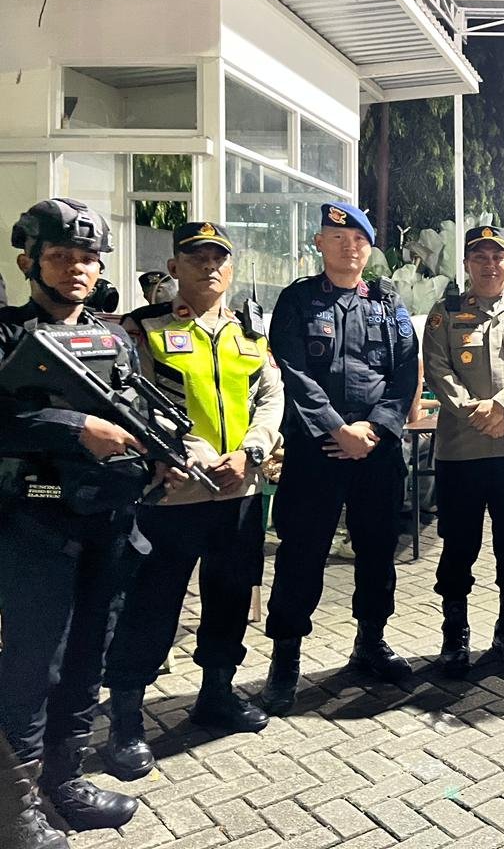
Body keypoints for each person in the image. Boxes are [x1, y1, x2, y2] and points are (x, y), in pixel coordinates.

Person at [100, 222, 284, 781]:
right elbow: (130, 401)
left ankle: (216, 694)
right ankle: (126, 721)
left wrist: (251, 453)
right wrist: (195, 454)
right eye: (196, 257)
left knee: (230, 598)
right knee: (149, 606)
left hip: (239, 491)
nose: (209, 267)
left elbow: (270, 396)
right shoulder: (144, 328)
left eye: (218, 258)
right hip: (172, 494)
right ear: (174, 267)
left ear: (230, 268)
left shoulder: (250, 332)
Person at [0, 198, 148, 848]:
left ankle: (65, 780)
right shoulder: (7, 335)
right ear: (28, 261)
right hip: (34, 525)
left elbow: (136, 410)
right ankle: (15, 809)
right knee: (34, 666)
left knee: (89, 658)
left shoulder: (113, 338)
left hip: (107, 524)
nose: (77, 268)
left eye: (88, 258)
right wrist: (75, 426)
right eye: (61, 256)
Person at [258, 201, 419, 715]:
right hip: (317, 450)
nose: (349, 246)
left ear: (369, 248)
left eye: (359, 240)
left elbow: (405, 373)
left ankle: (370, 641)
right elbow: (292, 371)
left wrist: (374, 429)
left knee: (378, 550)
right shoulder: (298, 300)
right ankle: (285, 659)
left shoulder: (388, 304)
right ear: (319, 244)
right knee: (302, 553)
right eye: (338, 237)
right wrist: (337, 428)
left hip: (376, 450)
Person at [422, 225, 504, 677]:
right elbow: (437, 369)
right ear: (467, 264)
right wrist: (474, 411)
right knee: (458, 547)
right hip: (460, 453)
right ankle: (454, 634)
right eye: (479, 257)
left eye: (497, 257)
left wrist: (500, 406)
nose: (489, 264)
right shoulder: (445, 313)